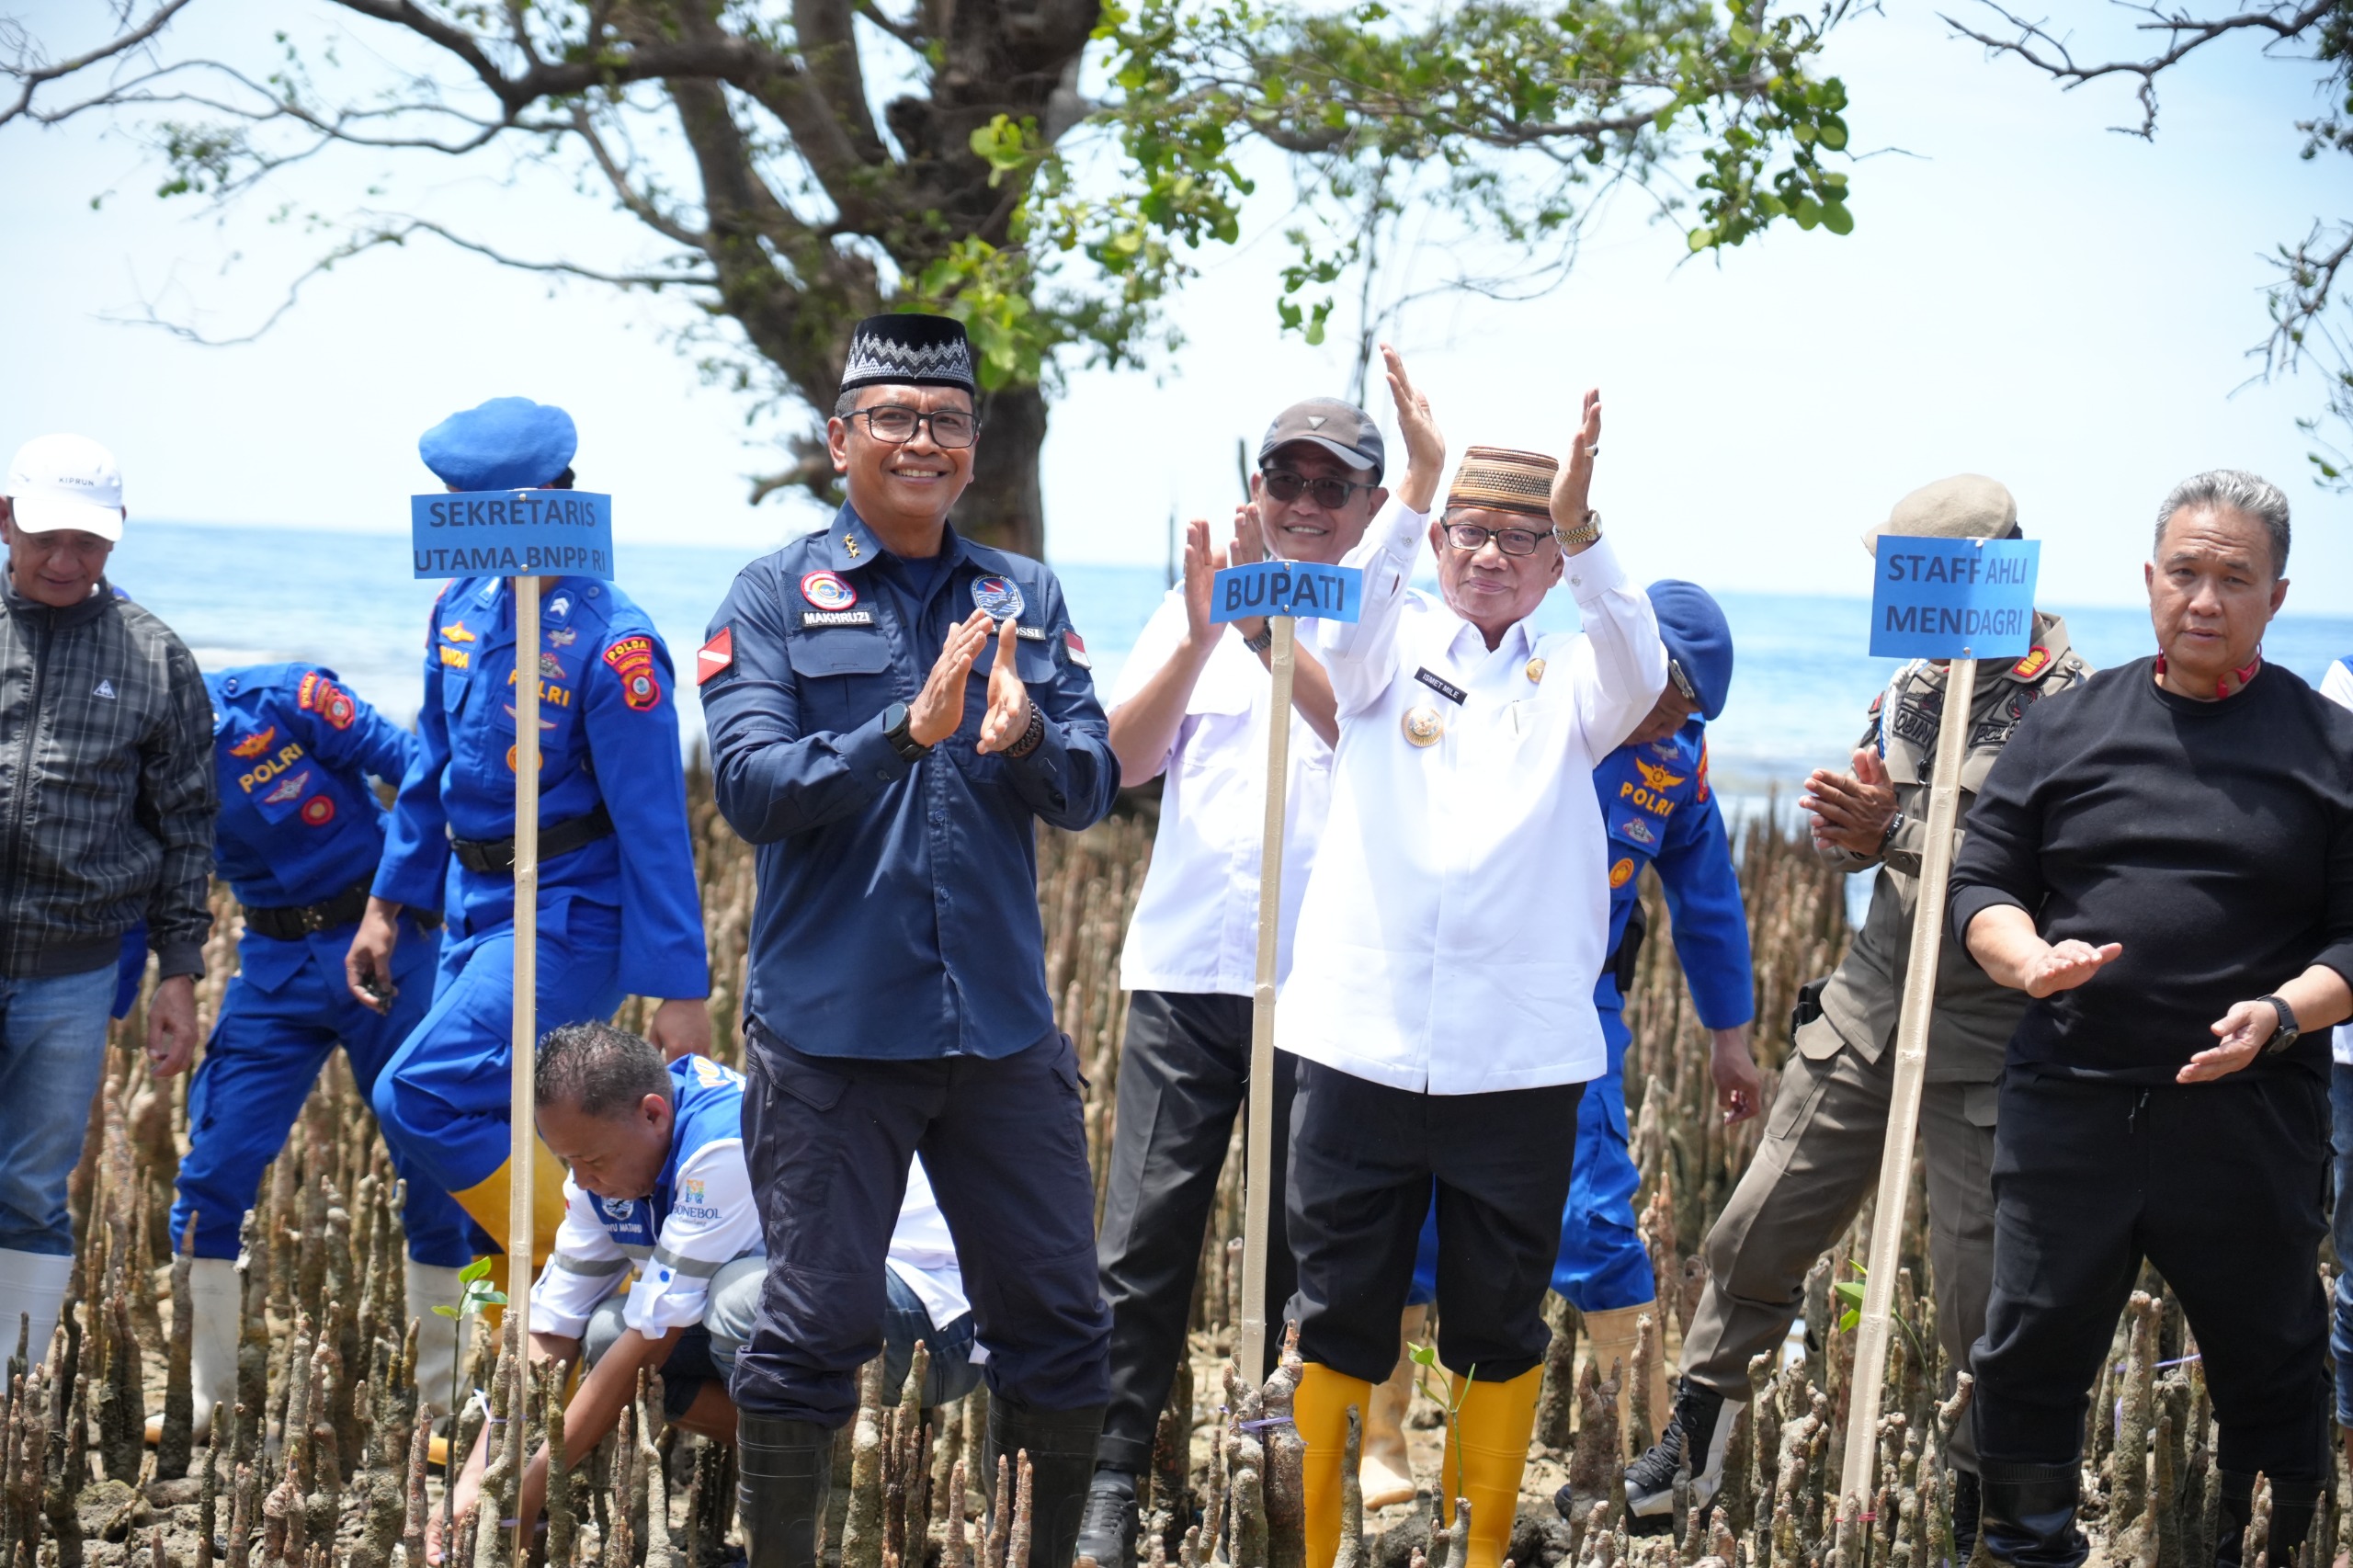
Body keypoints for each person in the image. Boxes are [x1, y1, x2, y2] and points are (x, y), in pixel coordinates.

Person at [699, 313, 1120, 1568]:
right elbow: (751, 787)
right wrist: (904, 729)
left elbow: (1095, 784)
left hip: (998, 1028)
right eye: (893, 417)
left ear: (973, 448)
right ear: (841, 440)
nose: (921, 441)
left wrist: (1029, 739)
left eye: (945, 421)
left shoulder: (1023, 595)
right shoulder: (774, 593)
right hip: (831, 1034)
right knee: (813, 1326)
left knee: (1060, 1319)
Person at [1622, 477, 2089, 1546]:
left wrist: (1900, 837)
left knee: (1980, 1285)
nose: (1901, 590)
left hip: (1988, 1037)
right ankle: (1693, 1447)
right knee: (1757, 1224)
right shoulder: (1915, 683)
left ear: (1995, 567)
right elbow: (1866, 850)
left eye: (1917, 570)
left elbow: (2056, 882)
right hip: (1869, 1008)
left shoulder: (2080, 708)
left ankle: (1980, 1495)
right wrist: (1849, 832)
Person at [1279, 352, 1665, 1568]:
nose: (1491, 555)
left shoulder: (1575, 677)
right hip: (1359, 1042)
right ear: (1436, 544)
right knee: (1340, 1313)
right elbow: (1341, 620)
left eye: (1521, 538)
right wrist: (1417, 481)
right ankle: (1329, 1534)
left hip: (1520, 1061)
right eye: (1468, 533)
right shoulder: (1381, 651)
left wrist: (1588, 517)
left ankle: (1481, 1542)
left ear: (1551, 562)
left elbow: (1643, 659)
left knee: (1500, 1319)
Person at [1949, 470, 2353, 1568]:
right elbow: (1980, 881)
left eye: (2233, 577)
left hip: (2250, 1112)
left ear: (2277, 594)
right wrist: (2029, 959)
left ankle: (2258, 1541)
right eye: (2184, 573)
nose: (2205, 599)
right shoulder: (2065, 726)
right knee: (2027, 1344)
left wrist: (2278, 1011)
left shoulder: (2331, 746)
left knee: (2271, 1352)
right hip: (2069, 1103)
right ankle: (2024, 1546)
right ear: (2148, 581)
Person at [1078, 396, 1391, 1565]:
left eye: (1331, 486)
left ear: (1370, 503)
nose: (1304, 505)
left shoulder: (1395, 618)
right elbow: (1116, 760)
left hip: (1334, 985)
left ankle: (1275, 1472)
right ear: (1255, 488)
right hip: (1186, 971)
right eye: (1285, 481)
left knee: (1308, 1247)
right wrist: (1212, 630)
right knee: (1143, 1236)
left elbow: (1368, 735)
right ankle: (1113, 1472)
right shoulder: (1189, 602)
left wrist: (1271, 632)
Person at [1374, 581, 1759, 1504]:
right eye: (1665, 692)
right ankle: (1383, 1441)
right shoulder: (1525, 694)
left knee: (1594, 1210)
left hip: (1575, 1005)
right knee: (1413, 1212)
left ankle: (1638, 1443)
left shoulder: (1675, 756)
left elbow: (1706, 898)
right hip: (1447, 987)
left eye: (1688, 707)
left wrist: (1730, 1040)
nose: (1669, 716)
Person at [352, 397, 712, 1276]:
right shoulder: (461, 606)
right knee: (495, 1115)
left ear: (545, 497)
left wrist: (680, 987)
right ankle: (512, 1354)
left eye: (473, 503)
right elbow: (430, 773)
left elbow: (656, 824)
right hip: (468, 904)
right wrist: (385, 903)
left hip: (564, 910)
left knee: (423, 1094)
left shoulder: (613, 639)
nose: (457, 520)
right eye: (448, 502)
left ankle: (602, 1278)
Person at [437, 1021, 978, 1562]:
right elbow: (550, 1330)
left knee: (740, 1302)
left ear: (653, 1113)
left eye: (593, 1161)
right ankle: (856, 1462)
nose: (580, 1181)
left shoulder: (720, 1143)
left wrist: (528, 1494)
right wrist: (477, 1486)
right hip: (838, 1309)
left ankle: (827, 1517)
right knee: (608, 1331)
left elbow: (657, 1333)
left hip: (935, 1319)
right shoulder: (603, 1165)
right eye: (567, 1161)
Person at [154, 662, 479, 1442]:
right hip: (273, 967)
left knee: (438, 1165)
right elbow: (148, 881)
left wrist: (408, 900)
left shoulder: (287, 699)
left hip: (389, 944)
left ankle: (449, 1391)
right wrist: (164, 984)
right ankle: (208, 1400)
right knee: (213, 1165)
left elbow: (416, 770)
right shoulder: (133, 761)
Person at [0, 434, 211, 1360]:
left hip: (74, 969)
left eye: (85, 541)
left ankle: (14, 1386)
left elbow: (187, 825)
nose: (62, 560)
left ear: (115, 539)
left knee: (33, 1187)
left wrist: (181, 973)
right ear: (5, 519)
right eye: (45, 535)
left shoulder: (157, 657)